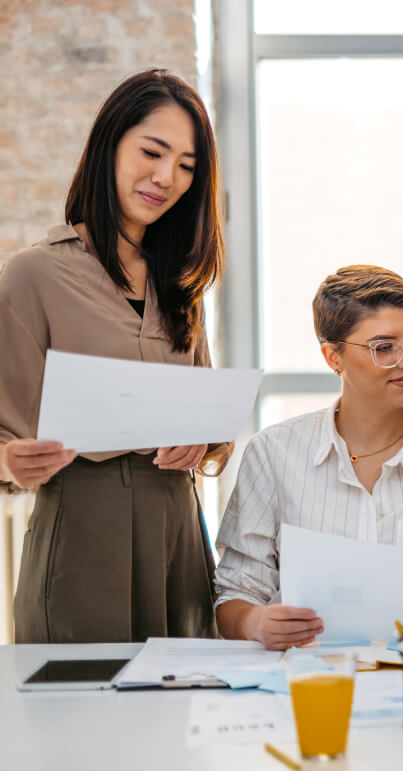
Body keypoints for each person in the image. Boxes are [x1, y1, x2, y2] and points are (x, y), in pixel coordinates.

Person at [0, 69, 230, 643]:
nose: (166, 177)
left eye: (186, 166)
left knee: (180, 718)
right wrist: (10, 463)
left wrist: (203, 438)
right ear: (110, 145)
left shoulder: (181, 283)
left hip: (178, 533)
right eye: (152, 152)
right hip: (80, 536)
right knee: (77, 720)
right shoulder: (34, 273)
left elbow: (209, 415)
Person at [215, 266, 403, 651]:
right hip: (306, 686)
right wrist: (255, 622)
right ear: (332, 357)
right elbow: (235, 594)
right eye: (384, 347)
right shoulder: (273, 453)